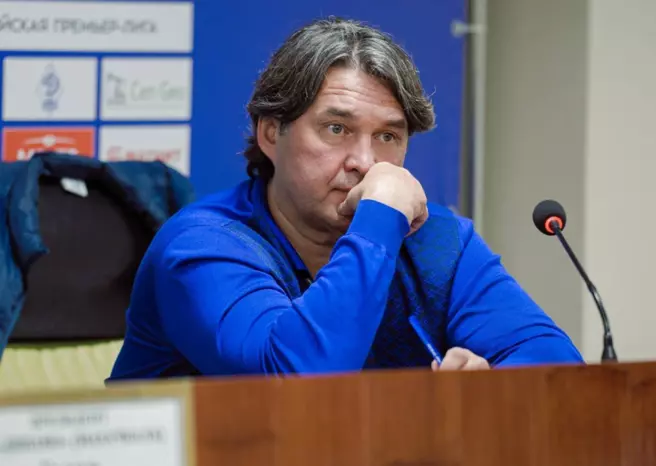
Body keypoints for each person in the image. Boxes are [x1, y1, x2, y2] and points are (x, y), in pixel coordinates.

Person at [109, 17, 583, 380]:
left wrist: (491, 384)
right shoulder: (202, 246)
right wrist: (378, 220)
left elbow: (557, 366)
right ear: (272, 133)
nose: (365, 161)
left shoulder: (438, 243)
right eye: (337, 129)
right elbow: (298, 383)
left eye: (388, 137)